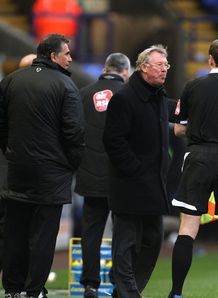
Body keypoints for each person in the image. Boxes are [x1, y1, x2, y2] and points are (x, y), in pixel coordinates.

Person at [0, 33, 85, 298]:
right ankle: (34, 290)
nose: (70, 58)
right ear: (53, 56)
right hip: (52, 174)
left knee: (13, 232)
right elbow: (75, 133)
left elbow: (2, 126)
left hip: (16, 170)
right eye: (67, 53)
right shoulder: (65, 86)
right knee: (43, 235)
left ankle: (12, 289)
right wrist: (72, 165)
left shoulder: (11, 81)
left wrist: (11, 152)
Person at [103, 44, 176, 298]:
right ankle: (127, 292)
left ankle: (128, 290)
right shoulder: (124, 98)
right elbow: (113, 141)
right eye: (159, 65)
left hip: (153, 186)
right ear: (143, 67)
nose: (164, 70)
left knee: (153, 241)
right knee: (125, 245)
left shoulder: (159, 98)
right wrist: (134, 169)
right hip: (129, 185)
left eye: (166, 65)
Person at [74, 53, 131, 298]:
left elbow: (73, 132)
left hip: (89, 175)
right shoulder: (130, 96)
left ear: (106, 68)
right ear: (126, 72)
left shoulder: (83, 93)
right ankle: (119, 282)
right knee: (123, 232)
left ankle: (90, 284)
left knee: (91, 233)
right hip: (122, 177)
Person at [168, 39, 218, 298]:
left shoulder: (193, 86)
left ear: (210, 59)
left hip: (198, 156)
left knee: (188, 227)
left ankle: (176, 292)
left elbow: (178, 129)